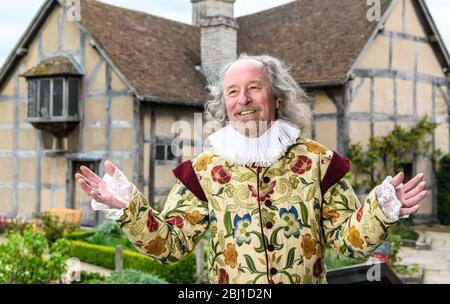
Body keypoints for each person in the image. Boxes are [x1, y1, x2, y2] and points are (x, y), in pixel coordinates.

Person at [75, 54, 427, 284]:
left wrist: (381, 210)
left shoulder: (319, 162)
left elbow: (347, 246)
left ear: (276, 98)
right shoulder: (204, 169)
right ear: (223, 104)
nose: (242, 100)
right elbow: (171, 247)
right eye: (232, 92)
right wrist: (127, 208)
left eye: (253, 88)